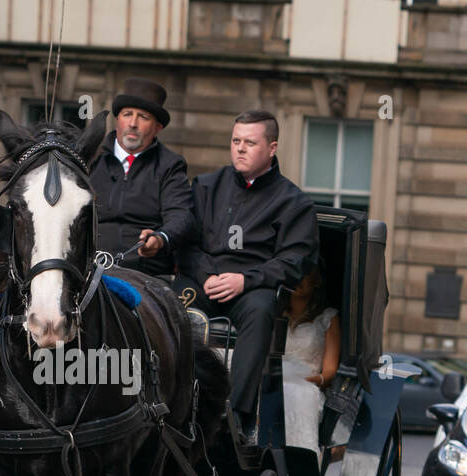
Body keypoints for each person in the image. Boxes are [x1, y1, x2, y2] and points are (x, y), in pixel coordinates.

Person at [178, 110, 319, 444]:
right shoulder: (206, 186)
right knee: (166, 304)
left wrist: (244, 279)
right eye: (235, 141)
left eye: (250, 143)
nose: (239, 149)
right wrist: (207, 274)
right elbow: (186, 244)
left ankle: (235, 416)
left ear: (271, 148)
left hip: (252, 287)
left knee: (261, 310)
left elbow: (296, 259)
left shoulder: (293, 202)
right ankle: (171, 402)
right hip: (202, 280)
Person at [90, 77, 196, 279]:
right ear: (117, 119)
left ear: (158, 127)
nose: (133, 124)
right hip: (88, 268)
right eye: (127, 114)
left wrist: (160, 238)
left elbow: (181, 216)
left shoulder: (170, 165)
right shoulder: (90, 159)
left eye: (143, 117)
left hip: (144, 273)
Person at [283, 266, 340, 454]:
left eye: (305, 272)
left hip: (307, 386)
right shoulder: (273, 314)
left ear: (316, 280)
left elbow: (329, 372)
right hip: (271, 382)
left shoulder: (328, 317)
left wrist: (299, 381)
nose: (299, 278)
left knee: (294, 394)